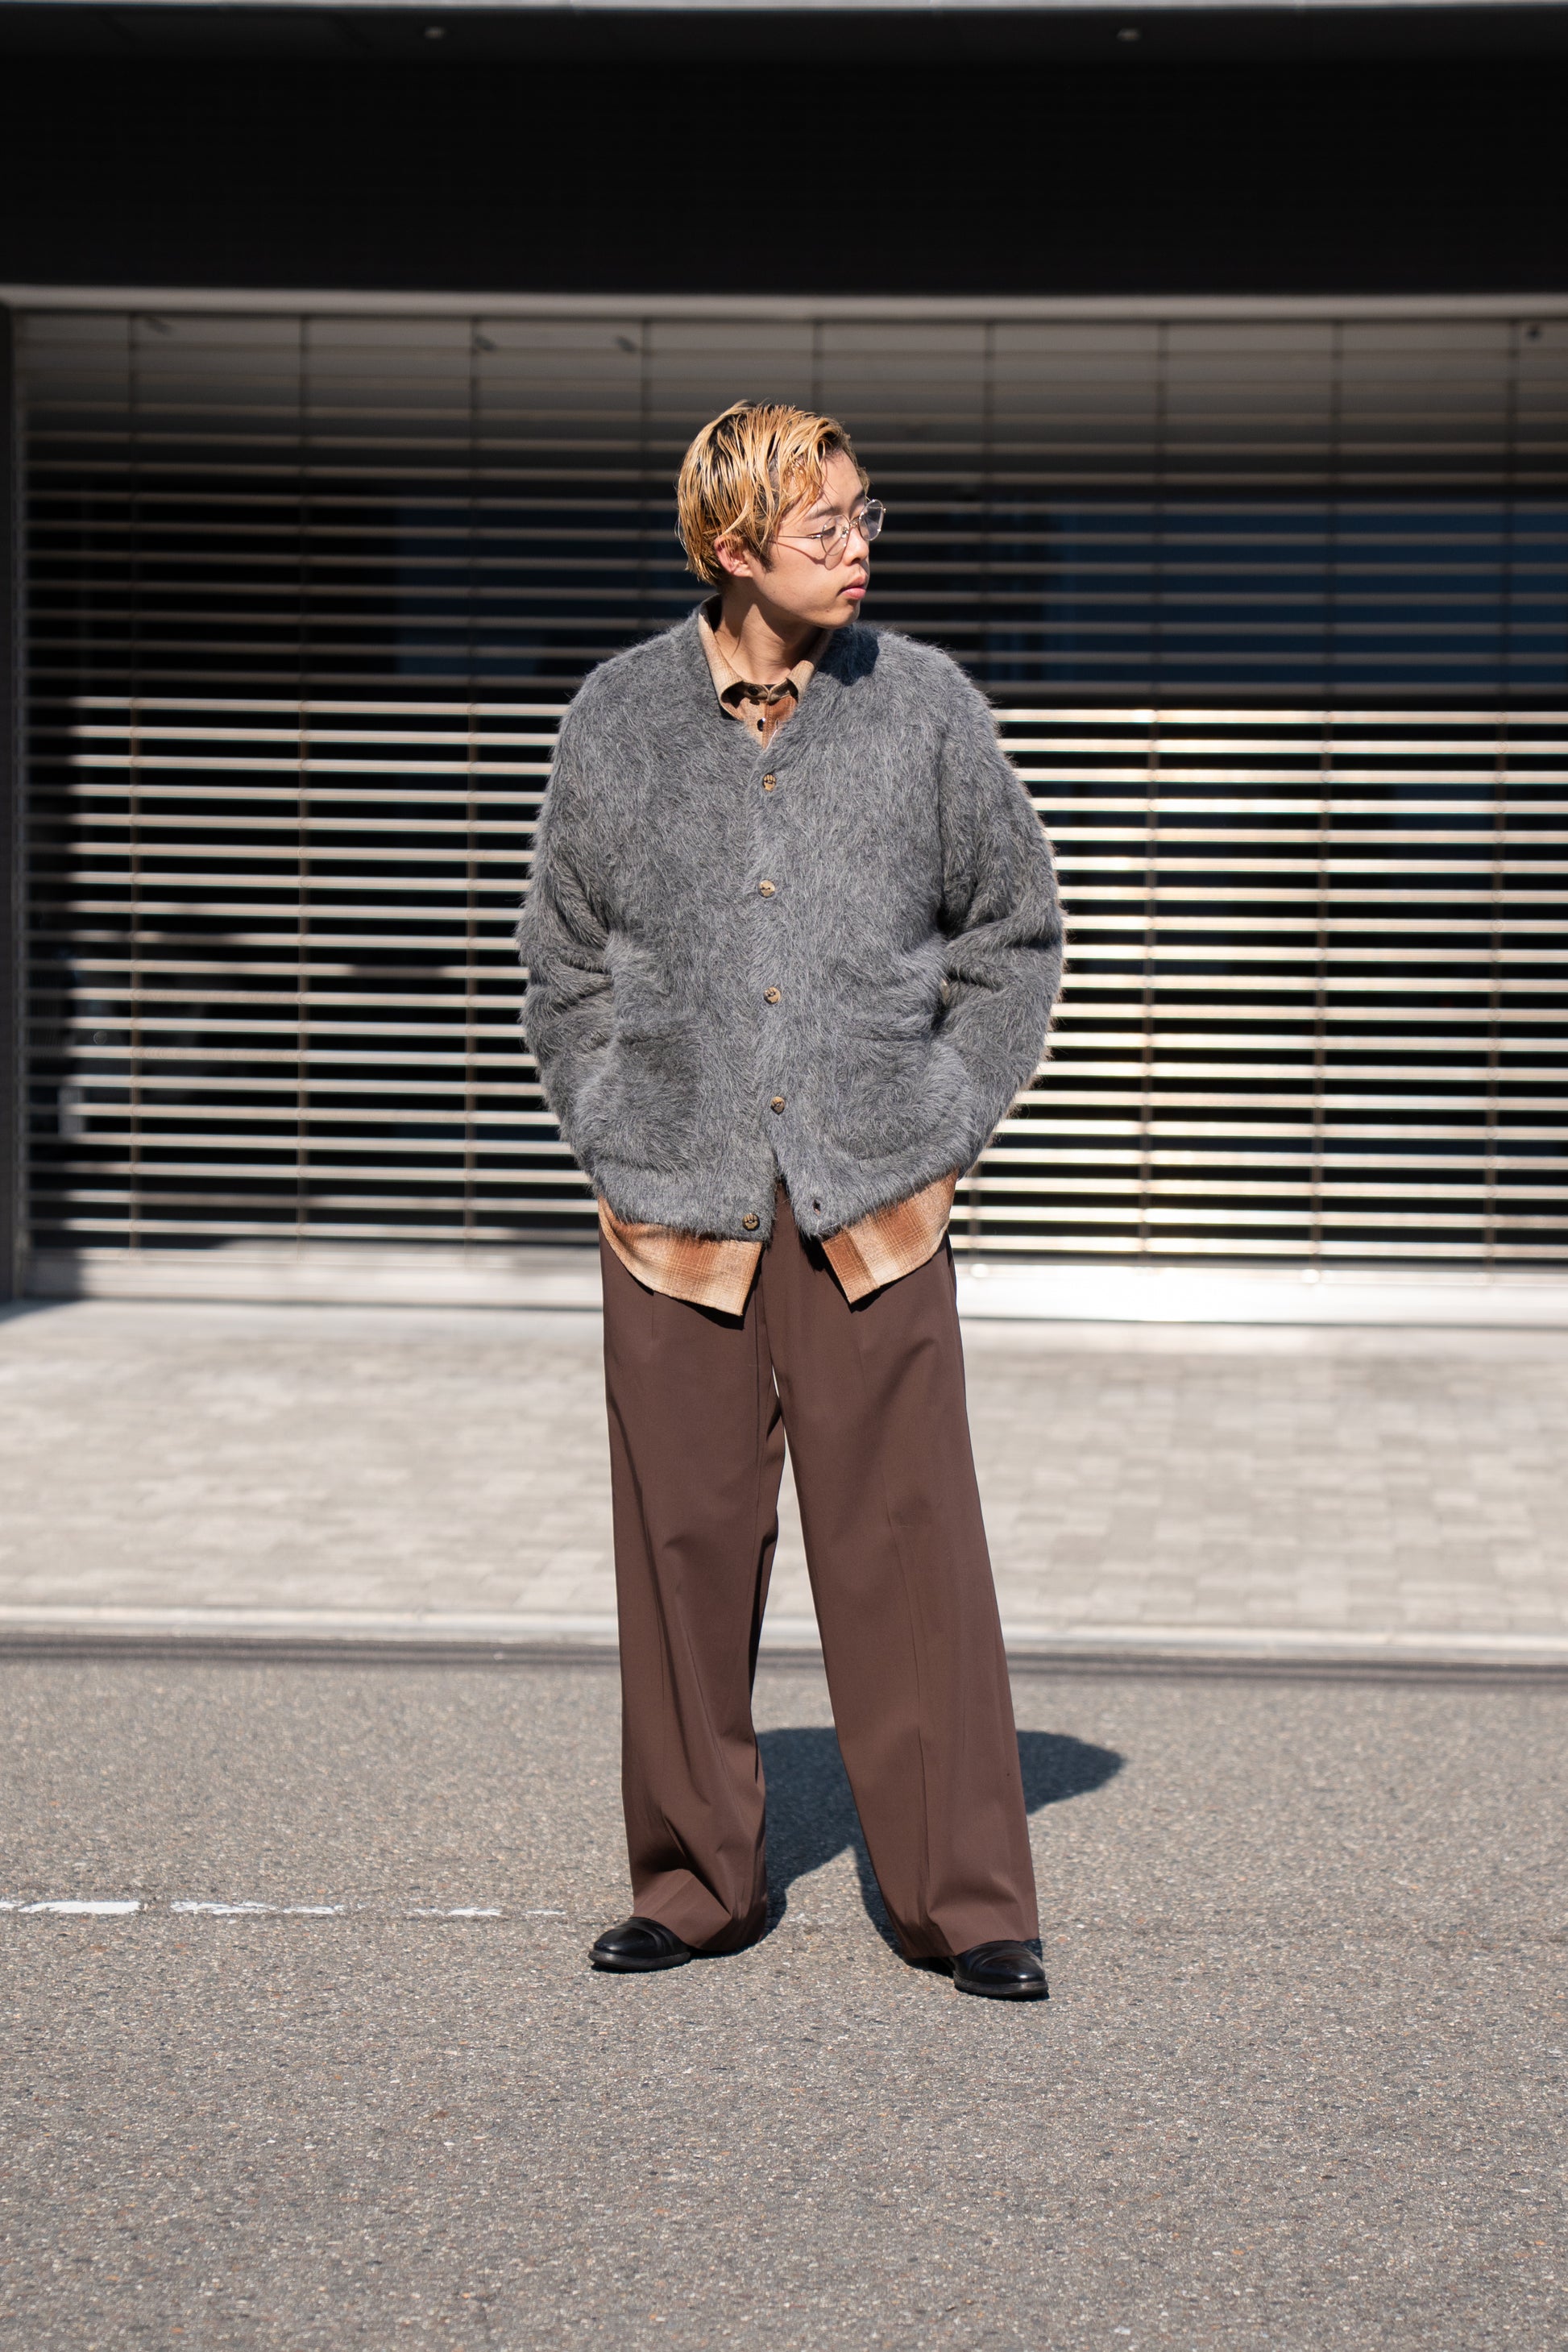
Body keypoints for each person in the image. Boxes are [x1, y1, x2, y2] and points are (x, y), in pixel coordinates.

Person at [518, 400, 1062, 1999]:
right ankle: (696, 1884)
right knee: (681, 1552)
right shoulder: (618, 717)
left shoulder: (923, 706)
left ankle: (964, 1900)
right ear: (732, 545)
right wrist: (611, 1130)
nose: (858, 545)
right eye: (825, 523)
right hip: (671, 1215)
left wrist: (942, 1122)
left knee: (909, 1553)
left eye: (863, 514)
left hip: (873, 1211)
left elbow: (1010, 935)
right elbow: (562, 961)